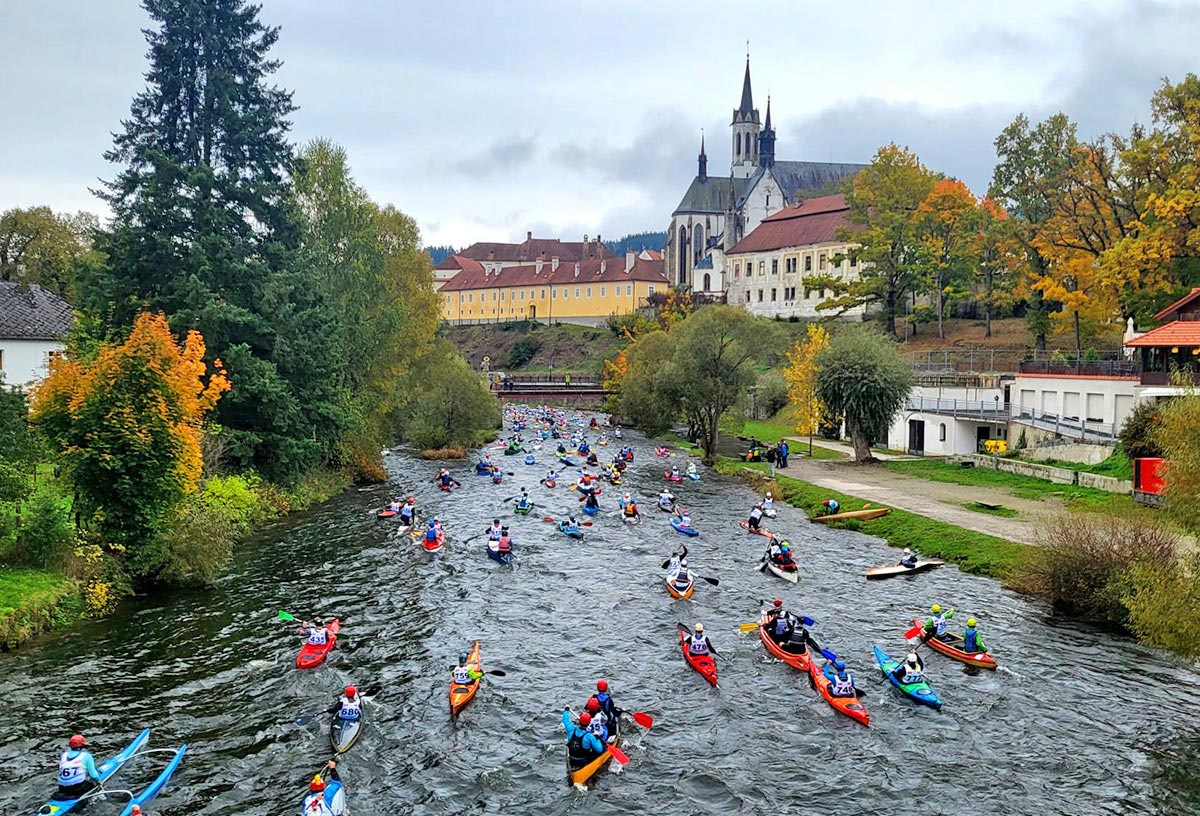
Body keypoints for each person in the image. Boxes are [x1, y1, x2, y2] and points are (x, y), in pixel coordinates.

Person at [53, 734, 100, 801]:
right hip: (77, 788)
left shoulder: (64, 755)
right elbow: (93, 775)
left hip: (62, 788)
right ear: (82, 745)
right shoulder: (87, 756)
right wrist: (100, 781)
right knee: (92, 780)